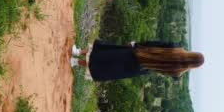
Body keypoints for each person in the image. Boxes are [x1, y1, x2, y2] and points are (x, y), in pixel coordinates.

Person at [70, 39, 204, 82]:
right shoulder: (177, 73)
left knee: (105, 52)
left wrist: (136, 44)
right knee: (105, 68)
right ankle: (75, 63)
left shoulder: (176, 48)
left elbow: (154, 44)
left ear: (193, 54)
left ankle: (77, 52)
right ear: (193, 66)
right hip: (140, 68)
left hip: (138, 54)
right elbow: (171, 76)